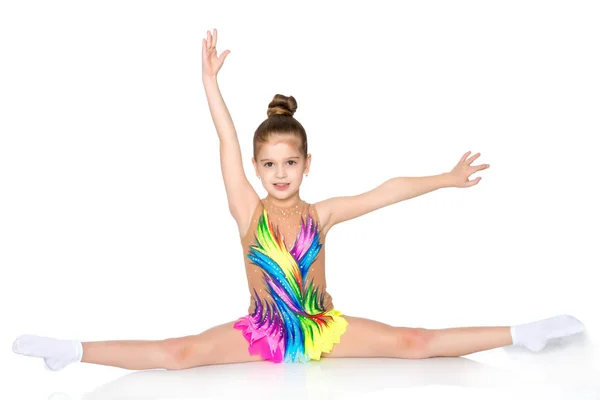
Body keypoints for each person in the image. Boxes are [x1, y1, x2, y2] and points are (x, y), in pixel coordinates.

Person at [12, 28, 586, 371]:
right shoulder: (247, 210)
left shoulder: (321, 213)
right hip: (262, 332)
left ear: (307, 164)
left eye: (290, 163)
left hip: (322, 326)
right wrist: (210, 84)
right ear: (257, 170)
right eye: (269, 165)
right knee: (180, 353)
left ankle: (519, 333)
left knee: (415, 342)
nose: (279, 173)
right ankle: (74, 350)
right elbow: (226, 140)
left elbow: (384, 192)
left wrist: (443, 178)